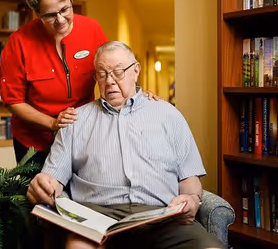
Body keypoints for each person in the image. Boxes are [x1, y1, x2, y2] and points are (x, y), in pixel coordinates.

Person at [27, 41, 226, 249]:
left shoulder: (169, 116)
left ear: (136, 70)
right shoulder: (75, 121)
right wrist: (44, 185)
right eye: (102, 74)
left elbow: (189, 180)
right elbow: (52, 180)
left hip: (162, 219)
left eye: (118, 72)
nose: (110, 81)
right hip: (96, 220)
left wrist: (192, 199)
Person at [0, 0, 158, 166]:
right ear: (37, 13)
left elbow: (114, 71)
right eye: (50, 15)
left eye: (65, 9)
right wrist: (52, 123)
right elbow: (12, 101)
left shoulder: (92, 29)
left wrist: (138, 95)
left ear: (71, 0)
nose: (60, 20)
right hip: (33, 143)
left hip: (82, 134)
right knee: (41, 195)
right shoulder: (19, 42)